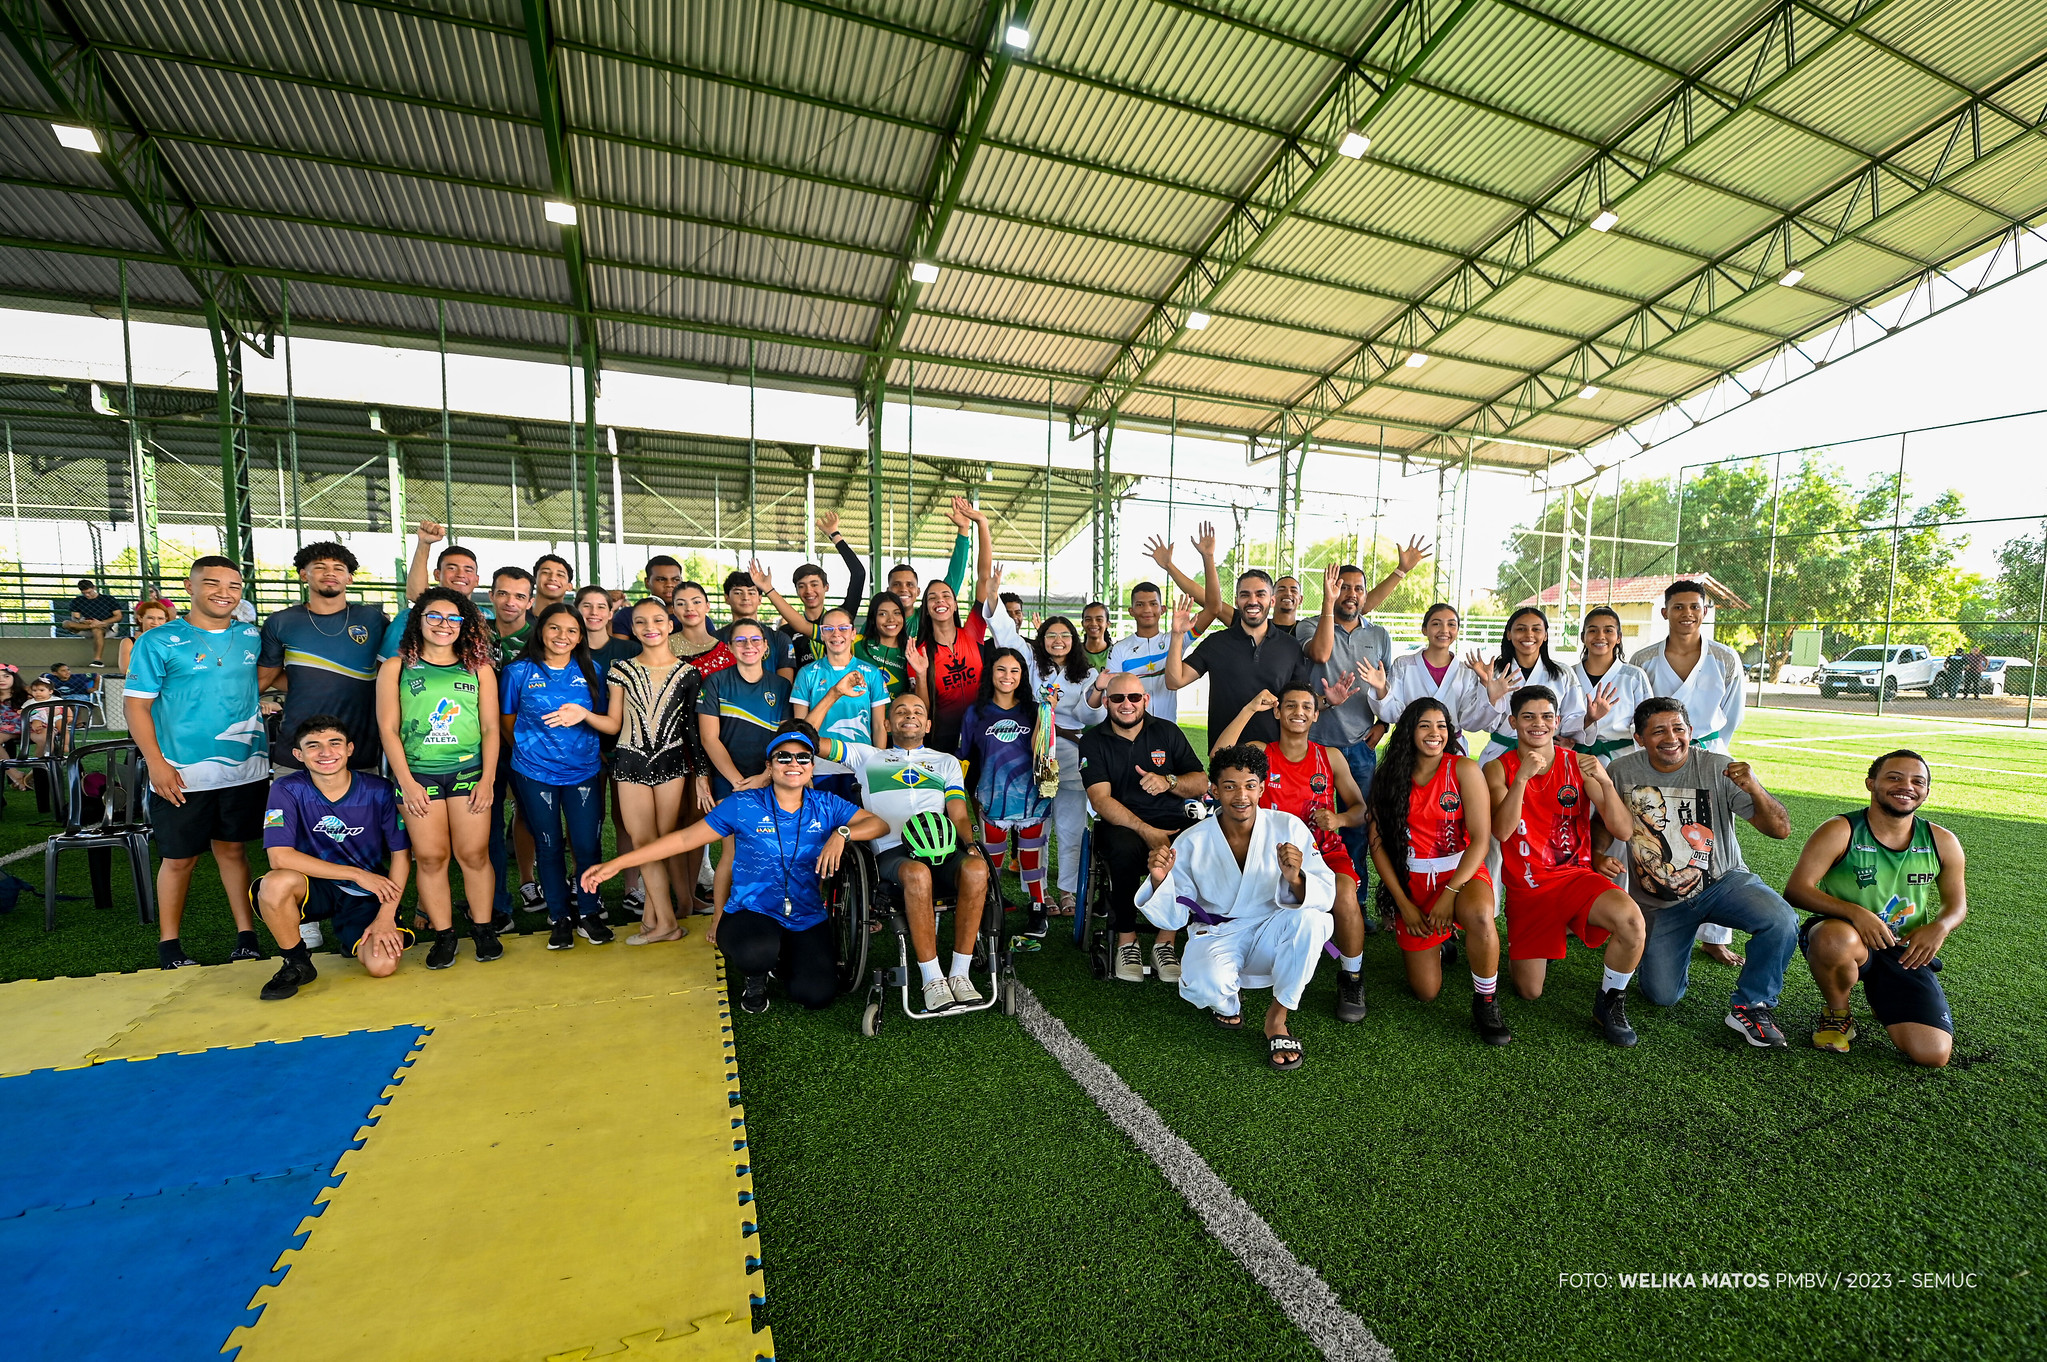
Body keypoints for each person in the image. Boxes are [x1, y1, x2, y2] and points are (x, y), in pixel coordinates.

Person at [583, 721, 889, 1012]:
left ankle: (785, 958)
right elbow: (684, 839)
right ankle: (755, 977)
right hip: (751, 911)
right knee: (755, 951)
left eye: (802, 758)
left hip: (806, 916)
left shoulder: (826, 804)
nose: (792, 763)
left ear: (811, 768)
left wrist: (842, 832)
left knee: (815, 995)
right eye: (783, 757)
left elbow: (878, 824)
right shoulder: (743, 804)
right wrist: (617, 863)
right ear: (769, 766)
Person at [1604, 698, 1799, 1048]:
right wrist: (1597, 857)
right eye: (1658, 730)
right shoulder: (1621, 772)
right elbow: (1602, 824)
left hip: (1724, 882)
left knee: (1781, 920)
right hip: (1661, 902)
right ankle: (1674, 952)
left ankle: (1753, 1005)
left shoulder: (1718, 767)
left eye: (1678, 728)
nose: (1671, 737)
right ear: (1639, 738)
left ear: (1690, 732)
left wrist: (1755, 787)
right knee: (1661, 996)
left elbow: (1781, 830)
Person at [1134, 744, 1336, 1070]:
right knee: (1202, 983)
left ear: (1262, 787)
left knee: (1312, 921)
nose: (1241, 796)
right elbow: (1172, 916)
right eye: (1229, 786)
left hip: (1275, 926)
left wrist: (1296, 879)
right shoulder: (1192, 841)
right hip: (1220, 932)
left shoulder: (1289, 828)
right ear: (1214, 790)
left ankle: (1277, 1018)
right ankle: (1227, 1004)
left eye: (1250, 785)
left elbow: (1325, 894)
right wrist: (1159, 880)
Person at [125, 557, 270, 969]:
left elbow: (269, 678)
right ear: (190, 588)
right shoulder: (158, 641)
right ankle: (170, 946)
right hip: (181, 772)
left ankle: (247, 936)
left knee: (233, 851)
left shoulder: (251, 637)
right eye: (212, 583)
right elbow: (136, 707)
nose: (224, 592)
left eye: (234, 585)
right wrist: (156, 763)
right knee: (179, 859)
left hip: (245, 768)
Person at [1483, 685, 1646, 1046]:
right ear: (1513, 722)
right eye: (1527, 717)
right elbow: (1502, 830)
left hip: (1575, 878)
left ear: (1557, 721)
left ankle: (1611, 1001)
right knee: (1529, 991)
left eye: (1545, 716)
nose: (1537, 724)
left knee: (1632, 922)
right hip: (1529, 889)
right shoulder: (1498, 768)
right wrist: (1522, 778)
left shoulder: (1578, 764)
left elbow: (1622, 829)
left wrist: (1603, 778)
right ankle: (1548, 938)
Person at [1786, 750, 1968, 1066]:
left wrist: (1940, 926)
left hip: (1904, 951)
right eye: (1894, 777)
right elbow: (1797, 889)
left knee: (1932, 1054)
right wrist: (1856, 913)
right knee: (1833, 940)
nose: (1906, 786)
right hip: (1848, 938)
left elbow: (1956, 905)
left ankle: (1883, 997)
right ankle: (1837, 1013)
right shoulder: (1841, 830)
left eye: (1917, 781)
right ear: (1871, 783)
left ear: (1926, 791)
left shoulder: (1942, 841)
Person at [821, 693, 990, 1013]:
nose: (908, 715)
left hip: (942, 849)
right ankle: (932, 979)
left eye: (917, 712)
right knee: (916, 873)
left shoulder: (946, 762)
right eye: (900, 711)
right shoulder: (867, 757)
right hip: (893, 852)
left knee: (977, 870)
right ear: (886, 723)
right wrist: (835, 694)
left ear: (927, 725)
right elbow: (809, 740)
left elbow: (960, 814)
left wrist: (970, 847)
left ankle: (959, 975)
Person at [1213, 682, 1370, 1022]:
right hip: (1268, 856)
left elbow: (1361, 809)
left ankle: (1351, 977)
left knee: (1345, 897)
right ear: (1277, 711)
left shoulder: (1330, 757)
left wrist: (1339, 818)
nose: (1298, 711)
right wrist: (1249, 708)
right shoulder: (1260, 753)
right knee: (1244, 896)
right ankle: (1234, 966)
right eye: (1290, 705)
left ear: (1316, 714)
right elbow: (1218, 759)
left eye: (1305, 706)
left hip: (1324, 853)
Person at [1366, 697, 1509, 1042]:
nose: (1435, 733)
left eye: (1442, 726)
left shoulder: (1463, 769)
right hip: (1412, 882)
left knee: (1479, 915)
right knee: (1426, 992)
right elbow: (1378, 844)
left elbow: (1479, 840)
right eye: (1425, 725)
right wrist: (1403, 904)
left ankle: (1486, 1001)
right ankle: (1442, 942)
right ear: (1409, 732)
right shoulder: (1388, 776)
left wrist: (1450, 893)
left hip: (1460, 873)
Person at [375, 586, 501, 964]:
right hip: (419, 776)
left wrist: (488, 779)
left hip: (468, 772)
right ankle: (444, 936)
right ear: (419, 620)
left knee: (474, 854)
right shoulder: (396, 667)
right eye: (434, 616)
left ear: (463, 625)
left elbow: (491, 728)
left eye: (453, 618)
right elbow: (388, 729)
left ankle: (483, 929)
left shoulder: (478, 668)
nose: (444, 625)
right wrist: (407, 782)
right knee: (430, 858)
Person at [251, 716, 416, 1000]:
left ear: (350, 749)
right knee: (275, 883)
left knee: (382, 966)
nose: (326, 753)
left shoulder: (379, 790)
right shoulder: (287, 789)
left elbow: (402, 855)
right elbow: (279, 857)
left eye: (334, 743)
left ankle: (349, 935)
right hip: (316, 885)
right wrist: (354, 873)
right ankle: (297, 962)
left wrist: (386, 915)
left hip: (366, 892)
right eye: (313, 746)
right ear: (298, 755)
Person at [1632, 580, 1748, 967]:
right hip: (1658, 756)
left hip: (1709, 750)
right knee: (1657, 834)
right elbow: (1639, 711)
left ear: (1704, 611)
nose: (1687, 614)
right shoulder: (1644, 658)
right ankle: (1648, 917)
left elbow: (1732, 714)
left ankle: (1715, 936)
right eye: (1678, 607)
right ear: (1664, 612)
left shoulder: (1725, 658)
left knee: (1713, 839)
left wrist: (1713, 749)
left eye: (1694, 607)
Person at [1299, 554, 1423, 879]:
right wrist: (1328, 604)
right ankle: (1316, 897)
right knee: (1313, 826)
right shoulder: (1310, 625)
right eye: (1342, 587)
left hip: (1360, 748)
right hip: (1317, 745)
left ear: (1366, 596)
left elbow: (1387, 687)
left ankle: (1354, 899)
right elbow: (1320, 653)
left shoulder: (1379, 635)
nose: (1350, 594)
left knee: (1358, 826)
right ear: (1331, 590)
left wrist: (1382, 725)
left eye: (1358, 588)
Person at [500, 602, 616, 948]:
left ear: (580, 637)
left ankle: (590, 912)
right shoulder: (518, 672)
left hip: (583, 772)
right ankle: (559, 916)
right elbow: (508, 722)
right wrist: (531, 752)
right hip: (534, 773)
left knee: (586, 844)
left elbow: (603, 720)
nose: (562, 636)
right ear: (541, 630)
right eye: (554, 628)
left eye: (571, 630)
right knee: (548, 846)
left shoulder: (592, 669)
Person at [1079, 675, 1208, 983]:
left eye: (1134, 698)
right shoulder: (1093, 740)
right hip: (1124, 824)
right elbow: (1100, 800)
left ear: (1146, 700)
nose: (1127, 704)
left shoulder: (1167, 731)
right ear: (1107, 702)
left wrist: (1169, 781)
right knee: (1122, 850)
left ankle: (1165, 942)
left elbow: (1201, 782)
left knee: (1194, 847)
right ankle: (1127, 940)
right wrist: (1147, 831)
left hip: (1173, 818)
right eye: (1118, 698)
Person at [605, 596, 713, 943]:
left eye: (656, 621)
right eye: (640, 622)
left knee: (664, 843)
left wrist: (702, 774)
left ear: (669, 626)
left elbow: (694, 731)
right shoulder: (621, 669)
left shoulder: (688, 673)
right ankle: (665, 922)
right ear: (632, 628)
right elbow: (612, 724)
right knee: (643, 842)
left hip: (672, 762)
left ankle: (655, 920)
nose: (649, 628)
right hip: (629, 760)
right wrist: (582, 716)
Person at [258, 542, 387, 772]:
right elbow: (265, 678)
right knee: (292, 809)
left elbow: (390, 672)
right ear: (303, 575)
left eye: (338, 568)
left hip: (359, 750)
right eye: (320, 567)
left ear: (349, 578)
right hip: (297, 751)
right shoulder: (281, 622)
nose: (330, 573)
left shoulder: (373, 620)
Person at [954, 647, 1051, 937]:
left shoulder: (1034, 709)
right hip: (993, 798)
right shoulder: (975, 713)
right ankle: (990, 906)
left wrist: (1047, 713)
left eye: (1014, 671)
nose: (1007, 676)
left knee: (1031, 859)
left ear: (1022, 676)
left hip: (1032, 799)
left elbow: (1041, 751)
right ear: (990, 673)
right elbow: (963, 756)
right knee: (991, 861)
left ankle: (1038, 908)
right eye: (1001, 670)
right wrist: (956, 794)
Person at [698, 618, 790, 916]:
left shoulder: (780, 686)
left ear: (765, 647)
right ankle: (719, 920)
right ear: (730, 647)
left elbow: (787, 740)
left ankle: (773, 911)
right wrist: (739, 782)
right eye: (740, 640)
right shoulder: (716, 682)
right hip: (730, 779)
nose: (748, 646)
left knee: (778, 848)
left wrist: (765, 776)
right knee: (733, 851)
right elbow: (710, 739)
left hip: (772, 777)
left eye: (755, 640)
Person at [1019, 614, 1109, 915]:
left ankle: (1068, 891)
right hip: (1035, 751)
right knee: (1036, 827)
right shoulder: (1032, 665)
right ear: (1041, 640)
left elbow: (1092, 718)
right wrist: (991, 598)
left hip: (1071, 753)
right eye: (1051, 635)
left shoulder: (1086, 675)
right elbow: (1005, 635)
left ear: (1075, 640)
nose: (1059, 641)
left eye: (1066, 635)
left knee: (1071, 829)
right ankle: (1039, 891)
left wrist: (1098, 692)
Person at [1164, 573, 1308, 751]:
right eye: (1245, 594)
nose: (1252, 601)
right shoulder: (1216, 643)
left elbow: (1300, 699)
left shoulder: (1290, 646)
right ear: (1237, 601)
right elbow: (1174, 681)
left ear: (1272, 601)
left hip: (1274, 754)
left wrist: (1327, 701)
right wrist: (1177, 636)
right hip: (1225, 754)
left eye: (1260, 594)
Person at [909, 499, 998, 753]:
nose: (940, 601)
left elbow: (983, 576)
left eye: (946, 595)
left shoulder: (972, 631)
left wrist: (981, 523)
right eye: (932, 598)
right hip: (941, 738)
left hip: (981, 731)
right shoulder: (920, 652)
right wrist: (921, 672)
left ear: (956, 605)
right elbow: (923, 707)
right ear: (926, 607)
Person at [783, 599, 890, 804]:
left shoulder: (871, 673)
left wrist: (879, 768)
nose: (836, 634)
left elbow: (878, 726)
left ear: (853, 633)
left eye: (843, 628)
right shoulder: (807, 673)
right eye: (829, 629)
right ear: (821, 634)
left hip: (860, 769)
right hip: (821, 768)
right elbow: (800, 730)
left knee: (862, 831)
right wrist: (803, 768)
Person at [1467, 606, 1587, 765]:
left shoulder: (1562, 673)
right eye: (1521, 629)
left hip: (1547, 756)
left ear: (1545, 635)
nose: (1529, 634)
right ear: (1509, 634)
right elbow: (1477, 724)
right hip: (1500, 756)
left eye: (1536, 629)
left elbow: (1571, 719)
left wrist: (1588, 720)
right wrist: (1492, 698)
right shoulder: (1492, 672)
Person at [485, 566, 536, 925]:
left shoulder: (541, 639)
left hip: (527, 744)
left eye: (519, 596)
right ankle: (496, 904)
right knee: (486, 821)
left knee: (532, 815)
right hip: (479, 744)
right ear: (491, 595)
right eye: (503, 593)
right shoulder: (471, 635)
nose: (510, 602)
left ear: (530, 601)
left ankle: (531, 884)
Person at [753, 512, 868, 670]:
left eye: (814, 584)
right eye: (802, 586)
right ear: (797, 591)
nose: (809, 591)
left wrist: (834, 534)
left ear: (826, 587)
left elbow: (859, 574)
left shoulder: (841, 618)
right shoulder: (787, 631)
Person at [383, 521, 481, 658]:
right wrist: (424, 544)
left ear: (477, 580)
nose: (460, 574)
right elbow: (417, 596)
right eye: (451, 568)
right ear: (437, 574)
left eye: (468, 570)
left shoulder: (485, 617)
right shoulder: (408, 619)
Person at [1106, 579, 1182, 721]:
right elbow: (1112, 692)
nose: (1147, 610)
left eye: (1153, 604)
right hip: (1131, 729)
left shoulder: (1176, 639)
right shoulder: (1119, 649)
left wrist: (1169, 567)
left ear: (1163, 609)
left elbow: (1213, 609)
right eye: (1140, 605)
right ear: (1131, 611)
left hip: (1167, 727)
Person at [719, 570, 796, 679]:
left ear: (760, 599)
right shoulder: (714, 639)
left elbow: (785, 686)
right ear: (726, 598)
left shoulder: (780, 639)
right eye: (738, 593)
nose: (745, 597)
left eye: (751, 592)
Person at [610, 554, 686, 641]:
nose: (669, 584)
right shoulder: (627, 615)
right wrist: (608, 609)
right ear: (647, 582)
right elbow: (618, 650)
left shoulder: (692, 616)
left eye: (676, 580)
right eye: (661, 579)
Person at [857, 592, 911, 696]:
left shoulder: (911, 650)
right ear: (873, 619)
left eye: (897, 613)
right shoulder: (856, 643)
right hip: (862, 712)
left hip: (896, 711)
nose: (891, 619)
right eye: (883, 614)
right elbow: (827, 633)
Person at [62, 577, 124, 666]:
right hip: (86, 626)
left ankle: (97, 660)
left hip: (106, 627)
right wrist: (82, 621)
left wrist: (102, 622)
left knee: (97, 630)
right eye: (84, 593)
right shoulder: (77, 600)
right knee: (66, 623)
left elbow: (118, 616)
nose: (87, 595)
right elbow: (75, 617)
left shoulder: (108, 599)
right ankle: (93, 626)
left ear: (94, 588)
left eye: (89, 592)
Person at [578, 585, 637, 669]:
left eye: (601, 607)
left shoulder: (632, 650)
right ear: (576, 611)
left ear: (610, 614)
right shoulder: (567, 651)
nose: (594, 612)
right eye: (587, 606)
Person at [530, 552, 574, 620]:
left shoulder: (575, 622)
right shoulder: (518, 619)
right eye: (545, 572)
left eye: (560, 575)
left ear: (569, 586)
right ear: (534, 579)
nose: (552, 578)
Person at [1079, 602, 1113, 670]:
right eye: (1088, 619)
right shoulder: (1075, 653)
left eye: (1099, 619)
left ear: (1107, 624)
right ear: (1082, 623)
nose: (1093, 623)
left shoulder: (1116, 653)